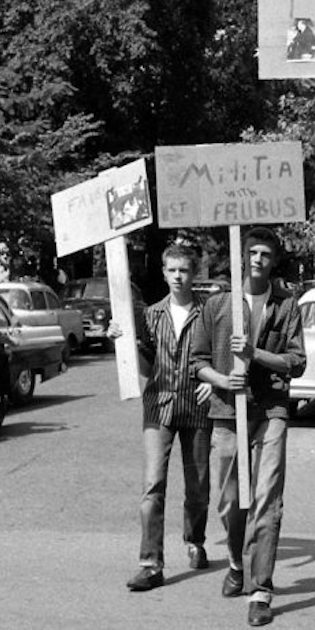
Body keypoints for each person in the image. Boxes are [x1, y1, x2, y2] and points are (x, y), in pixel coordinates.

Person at [189, 226, 305, 627]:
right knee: (229, 502)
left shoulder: (287, 306)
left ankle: (261, 587)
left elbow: (296, 362)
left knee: (267, 499)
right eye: (252, 252)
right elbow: (197, 362)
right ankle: (237, 563)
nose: (258, 260)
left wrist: (255, 355)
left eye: (265, 254)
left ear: (274, 261)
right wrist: (222, 380)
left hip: (271, 411)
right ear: (243, 257)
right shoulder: (218, 305)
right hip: (226, 412)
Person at [119, 243, 213, 592]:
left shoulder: (209, 312)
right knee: (153, 484)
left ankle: (195, 539)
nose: (178, 277)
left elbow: (221, 355)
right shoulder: (151, 316)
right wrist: (124, 344)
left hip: (197, 408)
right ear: (163, 272)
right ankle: (150, 563)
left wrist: (215, 386)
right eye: (172, 270)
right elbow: (145, 367)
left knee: (198, 486)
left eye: (184, 270)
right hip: (158, 407)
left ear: (194, 272)